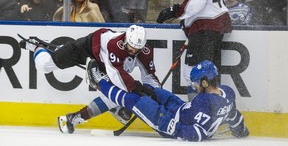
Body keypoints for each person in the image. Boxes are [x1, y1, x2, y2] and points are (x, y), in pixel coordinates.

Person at [19, 25, 161, 133]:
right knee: (44, 65)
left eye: (138, 48)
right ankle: (37, 46)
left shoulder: (145, 50)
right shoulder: (115, 45)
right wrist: (140, 90)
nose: (134, 51)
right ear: (125, 39)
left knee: (119, 95)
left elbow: (149, 76)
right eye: (131, 47)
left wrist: (157, 94)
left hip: (107, 63)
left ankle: (77, 117)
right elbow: (118, 77)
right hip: (87, 48)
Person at [91, 60, 249, 141]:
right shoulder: (227, 92)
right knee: (148, 90)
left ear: (205, 82)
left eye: (196, 82)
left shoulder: (205, 102)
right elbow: (234, 116)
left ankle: (99, 82)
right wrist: (240, 131)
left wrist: (172, 127)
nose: (194, 86)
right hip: (180, 108)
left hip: (167, 120)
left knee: (133, 100)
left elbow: (198, 134)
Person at [157, 0, 232, 101]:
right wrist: (187, 22)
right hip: (216, 25)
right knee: (210, 72)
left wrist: (175, 11)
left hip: (205, 26)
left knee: (195, 72)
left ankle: (198, 111)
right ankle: (215, 111)